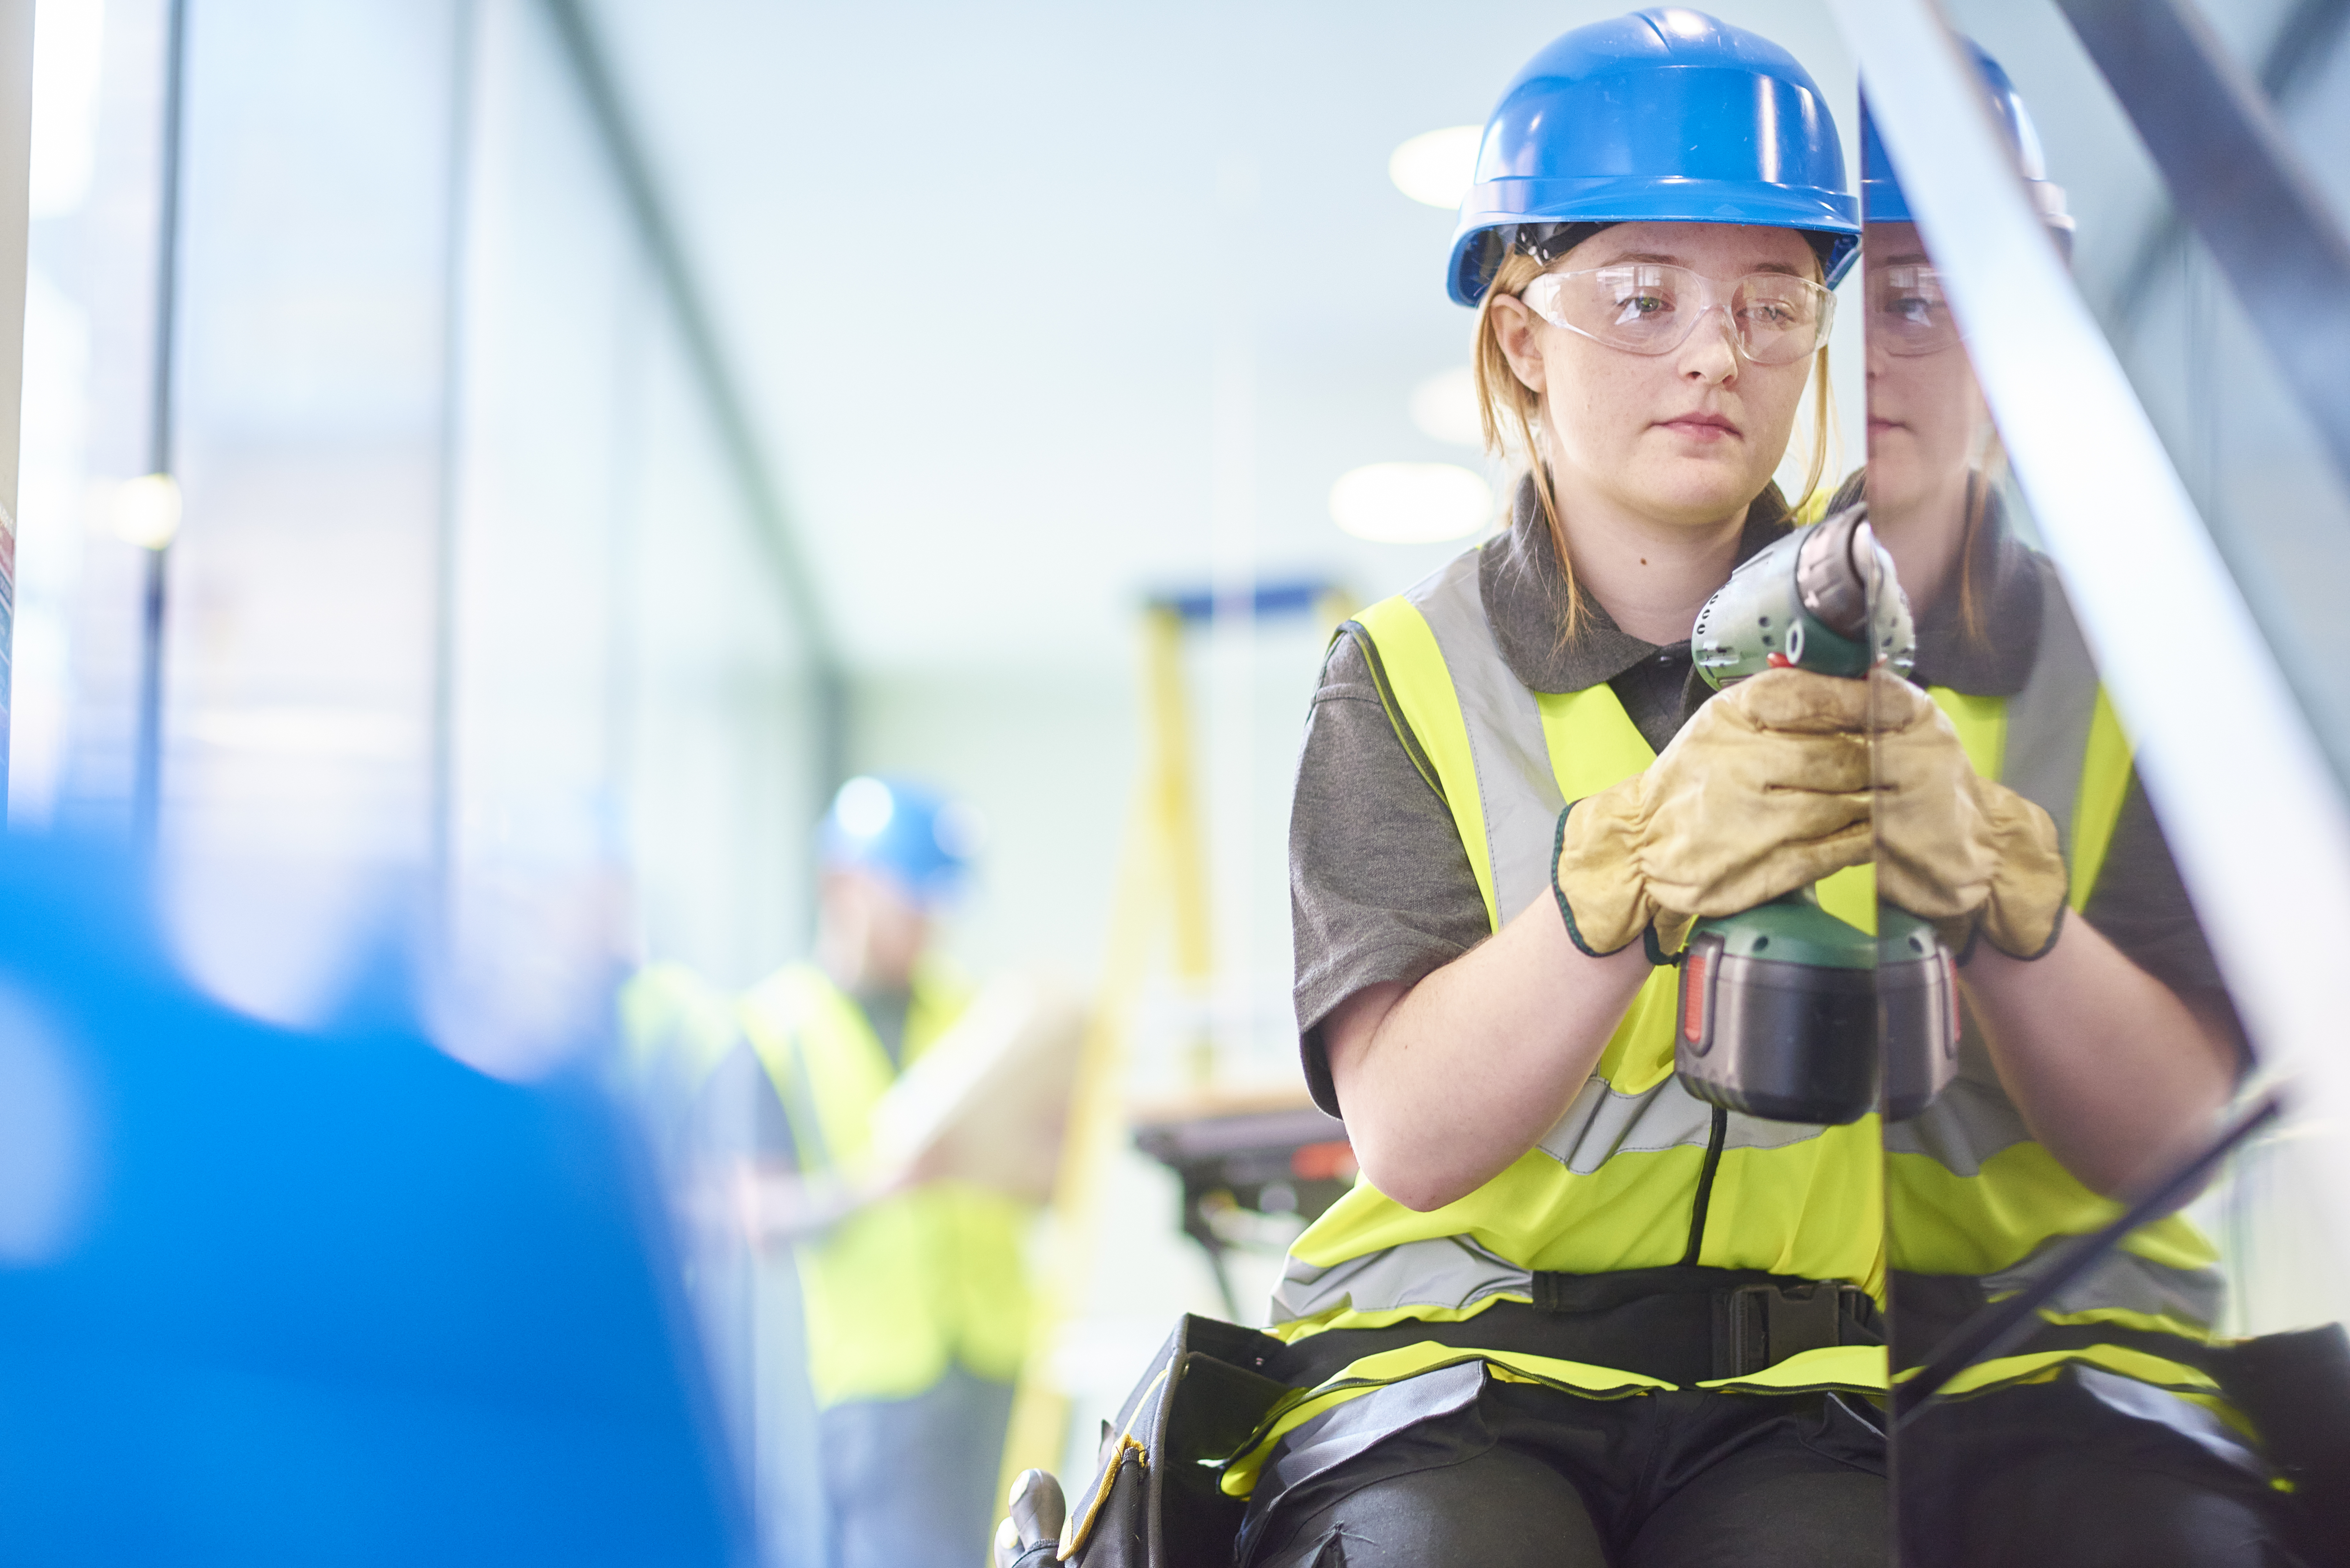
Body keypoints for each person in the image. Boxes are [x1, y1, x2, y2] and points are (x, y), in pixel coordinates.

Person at [1225, 11, 2252, 1566]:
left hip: (1796, 1383)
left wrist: (1989, 898)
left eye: (1772, 306)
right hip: (1445, 1374)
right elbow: (1409, 1137)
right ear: (1519, 336)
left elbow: (2147, 1127)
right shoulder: (1401, 674)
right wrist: (1614, 888)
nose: (1713, 352)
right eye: (1640, 298)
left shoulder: (1876, 659)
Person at [1849, 72, 2305, 1565]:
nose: (1867, 353)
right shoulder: (1644, 653)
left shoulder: (2151, 666)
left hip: (2079, 1365)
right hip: (1738, 1375)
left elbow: (2163, 1126)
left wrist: (1976, 877)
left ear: (2014, 308)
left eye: (1921, 296)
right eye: (1830, 290)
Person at [705, 775, 1030, 1568]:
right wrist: (878, 1183)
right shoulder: (773, 1030)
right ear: (844, 885)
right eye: (910, 898)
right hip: (883, 1383)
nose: (926, 923)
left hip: (997, 1353)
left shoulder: (969, 1014)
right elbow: (756, 1215)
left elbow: (1033, 1176)